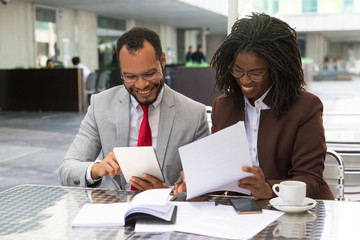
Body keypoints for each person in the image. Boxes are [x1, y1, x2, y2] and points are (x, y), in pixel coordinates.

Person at [175, 13, 333, 200]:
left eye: (256, 73)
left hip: (295, 212)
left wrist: (268, 189)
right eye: (237, 71)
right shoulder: (223, 107)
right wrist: (198, 182)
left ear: (277, 69)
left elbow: (310, 179)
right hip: (241, 214)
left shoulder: (305, 107)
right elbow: (221, 173)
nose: (244, 80)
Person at [58, 27, 209, 191]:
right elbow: (67, 170)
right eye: (130, 76)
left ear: (163, 60)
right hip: (113, 210)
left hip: (168, 212)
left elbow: (204, 180)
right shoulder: (100, 105)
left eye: (149, 73)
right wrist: (96, 169)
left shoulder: (194, 115)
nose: (141, 84)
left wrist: (167, 192)